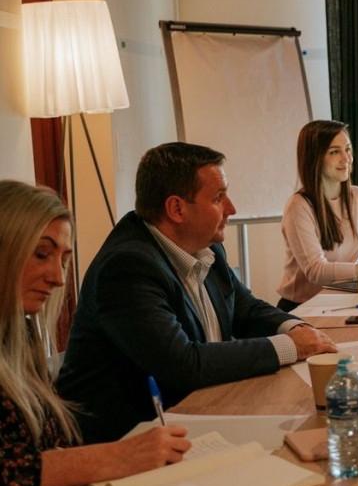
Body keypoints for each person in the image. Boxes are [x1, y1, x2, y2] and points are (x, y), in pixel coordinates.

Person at [57, 143, 337, 443]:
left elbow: (245, 307)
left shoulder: (206, 245)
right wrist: (293, 346)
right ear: (176, 208)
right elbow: (182, 363)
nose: (232, 208)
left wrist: (298, 328)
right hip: (127, 442)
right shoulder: (127, 267)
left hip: (199, 415)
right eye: (218, 198)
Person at [0, 181, 190, 486]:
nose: (58, 278)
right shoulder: (130, 262)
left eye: (64, 259)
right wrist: (116, 456)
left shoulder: (20, 333)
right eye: (42, 254)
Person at [277, 120, 358, 310]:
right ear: (315, 158)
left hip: (342, 300)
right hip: (302, 308)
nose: (346, 158)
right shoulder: (298, 206)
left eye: (348, 149)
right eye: (334, 152)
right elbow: (316, 271)